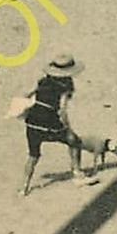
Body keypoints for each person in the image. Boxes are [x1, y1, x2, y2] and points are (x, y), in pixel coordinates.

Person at [20, 55, 89, 196]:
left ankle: (24, 187)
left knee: (33, 155)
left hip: (32, 121)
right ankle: (77, 174)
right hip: (49, 121)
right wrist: (68, 129)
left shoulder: (42, 81)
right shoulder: (67, 85)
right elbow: (62, 110)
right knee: (74, 141)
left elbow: (26, 94)